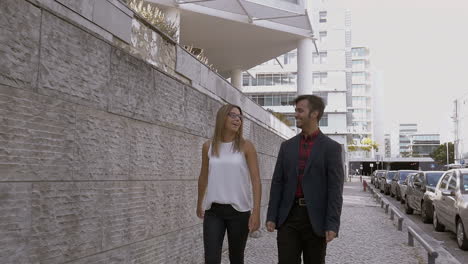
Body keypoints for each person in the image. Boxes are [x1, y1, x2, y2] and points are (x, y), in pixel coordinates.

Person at [266, 95, 344, 264]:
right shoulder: (286, 147)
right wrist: (272, 215)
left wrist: (332, 223)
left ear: (314, 113)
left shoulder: (332, 148)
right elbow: (277, 183)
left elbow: (335, 190)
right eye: (296, 110)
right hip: (289, 217)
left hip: (316, 220)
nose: (296, 115)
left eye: (300, 110)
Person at [197, 104, 261, 264]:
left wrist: (256, 212)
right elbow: (203, 176)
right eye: (232, 115)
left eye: (239, 117)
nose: (237, 119)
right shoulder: (208, 146)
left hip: (239, 212)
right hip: (214, 212)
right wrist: (199, 203)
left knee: (236, 258)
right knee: (211, 259)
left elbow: (255, 180)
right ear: (222, 118)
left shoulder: (246, 146)